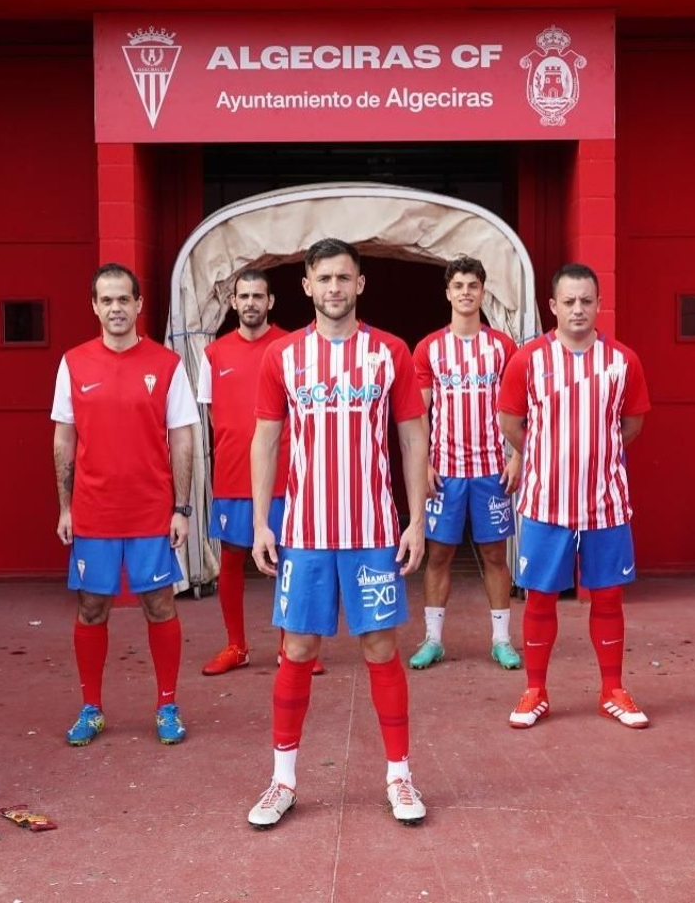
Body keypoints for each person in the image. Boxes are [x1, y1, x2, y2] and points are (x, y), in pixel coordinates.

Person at [244, 238, 431, 829]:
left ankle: (399, 776)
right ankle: (282, 781)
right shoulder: (282, 357)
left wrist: (417, 519)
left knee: (380, 649)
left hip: (373, 532)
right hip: (303, 532)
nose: (334, 289)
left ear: (360, 284)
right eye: (323, 278)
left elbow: (412, 437)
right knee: (297, 650)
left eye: (343, 278)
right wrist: (259, 525)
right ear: (305, 285)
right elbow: (266, 440)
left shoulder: (389, 353)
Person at [497, 262, 652, 731]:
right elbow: (510, 422)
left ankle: (612, 689)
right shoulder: (527, 359)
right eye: (569, 302)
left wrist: (596, 456)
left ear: (599, 303)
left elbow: (633, 424)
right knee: (540, 599)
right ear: (553, 306)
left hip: (606, 503)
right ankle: (535, 690)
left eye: (587, 301)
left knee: (607, 599)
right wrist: (547, 456)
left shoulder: (623, 360)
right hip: (546, 503)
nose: (578, 309)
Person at [53, 263, 198, 747]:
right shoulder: (73, 363)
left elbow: (182, 439)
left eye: (124, 300)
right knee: (92, 608)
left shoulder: (167, 364)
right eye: (106, 300)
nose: (116, 308)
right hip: (93, 512)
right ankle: (91, 707)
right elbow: (63, 440)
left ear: (139, 305)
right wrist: (65, 507)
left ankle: (167, 704)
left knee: (159, 605)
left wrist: (182, 508)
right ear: (94, 306)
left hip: (151, 513)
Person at [197, 269, 324, 676]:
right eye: (243, 296)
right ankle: (237, 646)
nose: (250, 303)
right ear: (232, 303)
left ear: (271, 302)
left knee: (291, 561)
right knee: (232, 558)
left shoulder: (294, 347)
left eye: (258, 296)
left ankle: (292, 648)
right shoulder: (213, 353)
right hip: (233, 477)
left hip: (288, 478)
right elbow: (216, 416)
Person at [408, 256, 521, 671]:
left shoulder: (502, 348)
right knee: (438, 555)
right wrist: (423, 464)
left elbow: (519, 406)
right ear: (448, 293)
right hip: (447, 471)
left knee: (494, 554)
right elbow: (418, 413)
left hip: (492, 469)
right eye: (458, 285)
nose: (466, 292)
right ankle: (433, 640)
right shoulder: (429, 348)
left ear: (482, 291)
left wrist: (518, 454)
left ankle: (502, 640)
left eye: (473, 285)